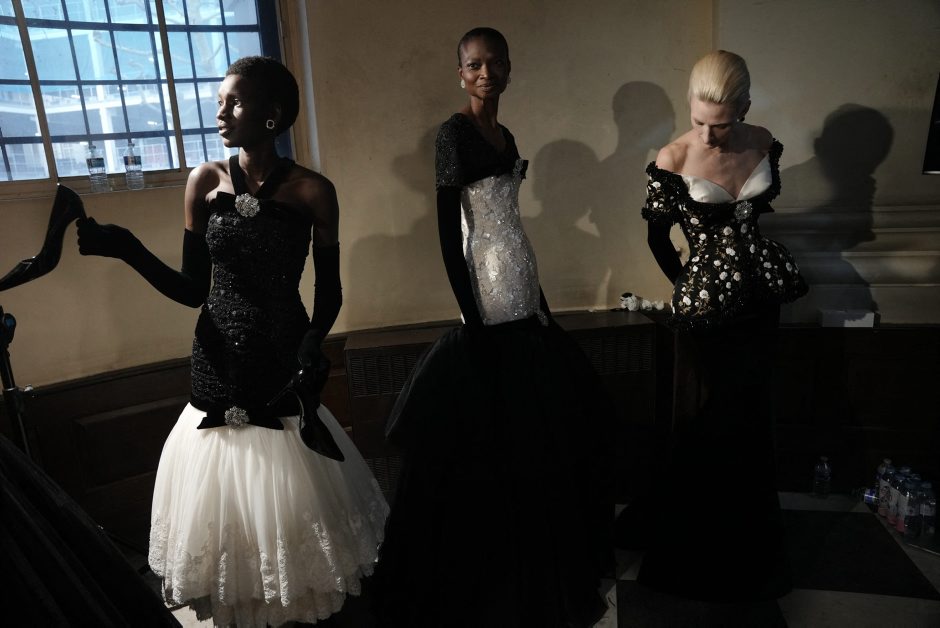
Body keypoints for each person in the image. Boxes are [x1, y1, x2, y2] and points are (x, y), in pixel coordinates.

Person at [76, 56, 388, 626]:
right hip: (216, 356)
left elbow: (330, 290)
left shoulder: (313, 190)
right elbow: (191, 289)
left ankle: (294, 601)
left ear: (272, 114)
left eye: (234, 102)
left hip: (282, 355)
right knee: (224, 495)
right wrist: (126, 248)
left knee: (288, 492)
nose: (220, 113)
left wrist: (314, 340)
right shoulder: (204, 181)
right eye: (219, 102)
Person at [373, 28, 614, 627]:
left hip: (522, 277)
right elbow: (448, 234)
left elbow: (511, 223)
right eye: (474, 64)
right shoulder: (452, 134)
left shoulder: (506, 136)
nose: (485, 73)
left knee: (532, 434)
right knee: (488, 435)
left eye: (494, 63)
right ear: (460, 73)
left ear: (508, 68)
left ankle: (533, 564)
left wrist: (540, 300)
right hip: (484, 286)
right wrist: (473, 320)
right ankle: (485, 574)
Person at [628, 49, 806, 601]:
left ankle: (754, 555)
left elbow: (759, 214)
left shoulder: (763, 141)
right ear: (690, 105)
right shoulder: (673, 157)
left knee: (752, 416)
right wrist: (690, 284)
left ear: (745, 108)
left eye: (722, 125)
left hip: (762, 301)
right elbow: (658, 238)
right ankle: (697, 555)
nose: (708, 135)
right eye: (700, 120)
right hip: (711, 312)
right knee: (716, 417)